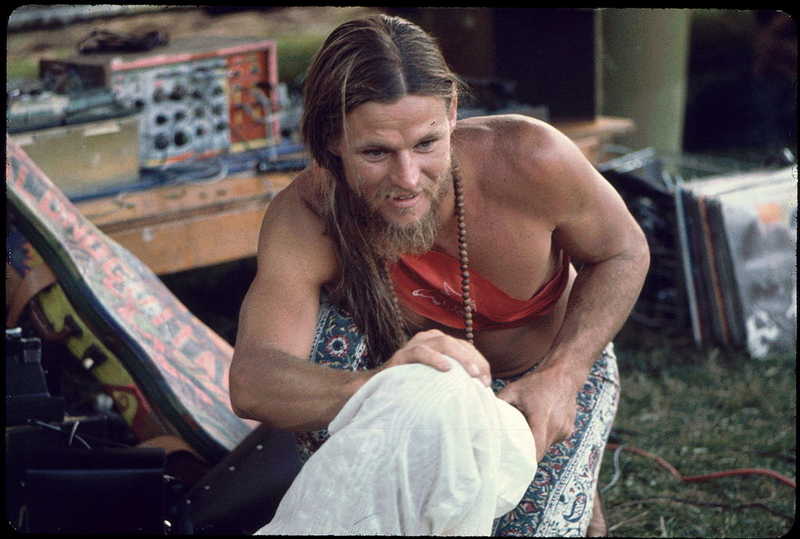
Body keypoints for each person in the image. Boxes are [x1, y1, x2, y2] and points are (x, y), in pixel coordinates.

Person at [230, 13, 649, 536]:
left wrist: (563, 376)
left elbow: (624, 251)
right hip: (408, 389)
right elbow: (253, 379)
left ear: (451, 112)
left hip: (537, 379)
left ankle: (576, 486)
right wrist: (378, 389)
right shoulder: (307, 214)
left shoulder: (528, 157)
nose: (407, 179)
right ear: (330, 140)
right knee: (328, 339)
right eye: (376, 152)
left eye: (426, 144)